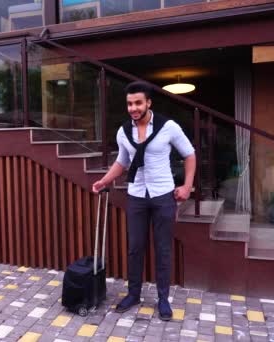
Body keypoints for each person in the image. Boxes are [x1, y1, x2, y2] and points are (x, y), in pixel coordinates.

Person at [92, 81, 196, 321]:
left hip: (163, 196)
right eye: (130, 104)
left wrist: (187, 186)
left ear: (148, 102)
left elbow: (189, 154)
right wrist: (104, 181)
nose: (133, 108)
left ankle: (162, 300)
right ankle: (133, 294)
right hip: (137, 195)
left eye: (138, 102)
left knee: (162, 249)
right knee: (134, 248)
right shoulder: (123, 132)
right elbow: (123, 162)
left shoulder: (167, 127)